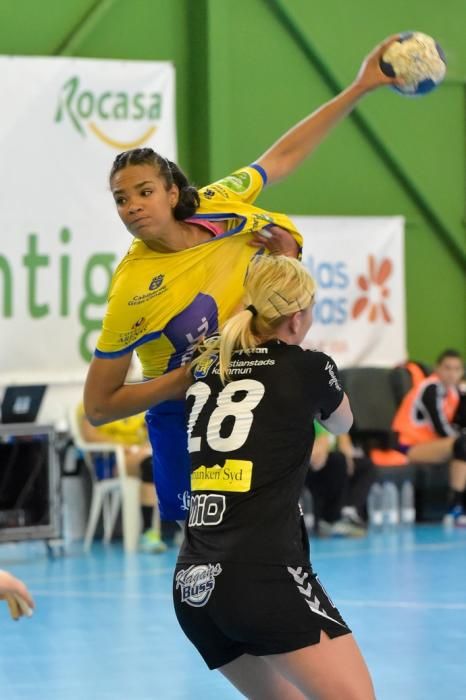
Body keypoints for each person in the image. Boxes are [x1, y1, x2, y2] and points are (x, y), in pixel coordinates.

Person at [84, 35, 404, 526]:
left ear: (173, 192)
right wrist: (185, 377)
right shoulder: (134, 288)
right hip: (184, 416)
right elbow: (100, 406)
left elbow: (283, 157)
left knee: (267, 529)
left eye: (144, 192)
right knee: (205, 541)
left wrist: (360, 87)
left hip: (252, 391)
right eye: (121, 200)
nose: (132, 207)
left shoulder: (219, 204)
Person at [392, 349, 466, 526]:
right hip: (407, 447)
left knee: (462, 445)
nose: (452, 373)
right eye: (447, 368)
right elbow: (442, 429)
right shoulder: (430, 388)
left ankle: (458, 504)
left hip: (435, 446)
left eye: (457, 369)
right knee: (462, 444)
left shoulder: (455, 393)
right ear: (437, 369)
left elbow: (460, 424)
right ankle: (454, 506)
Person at [78, 407, 167, 552]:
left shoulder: (138, 405)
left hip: (139, 455)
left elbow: (153, 430)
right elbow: (89, 435)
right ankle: (148, 531)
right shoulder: (92, 405)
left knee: (155, 463)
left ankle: (176, 529)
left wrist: (147, 445)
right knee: (149, 463)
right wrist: (122, 446)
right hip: (111, 460)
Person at [305, 423, 375, 537]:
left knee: (365, 466)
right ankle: (330, 519)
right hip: (310, 464)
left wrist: (348, 455)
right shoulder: (313, 414)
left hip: (333, 460)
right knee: (338, 460)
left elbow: (344, 437)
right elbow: (318, 450)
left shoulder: (333, 414)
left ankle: (349, 511)